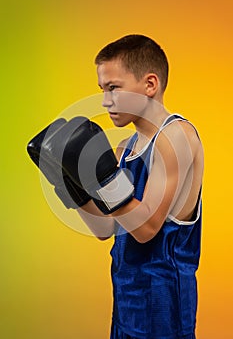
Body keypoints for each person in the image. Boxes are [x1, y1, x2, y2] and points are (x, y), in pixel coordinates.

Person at [27, 34, 204, 339]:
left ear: (150, 85)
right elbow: (106, 228)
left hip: (164, 304)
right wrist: (69, 183)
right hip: (125, 299)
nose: (105, 100)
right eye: (102, 90)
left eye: (114, 88)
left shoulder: (176, 138)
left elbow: (146, 228)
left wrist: (103, 177)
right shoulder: (126, 147)